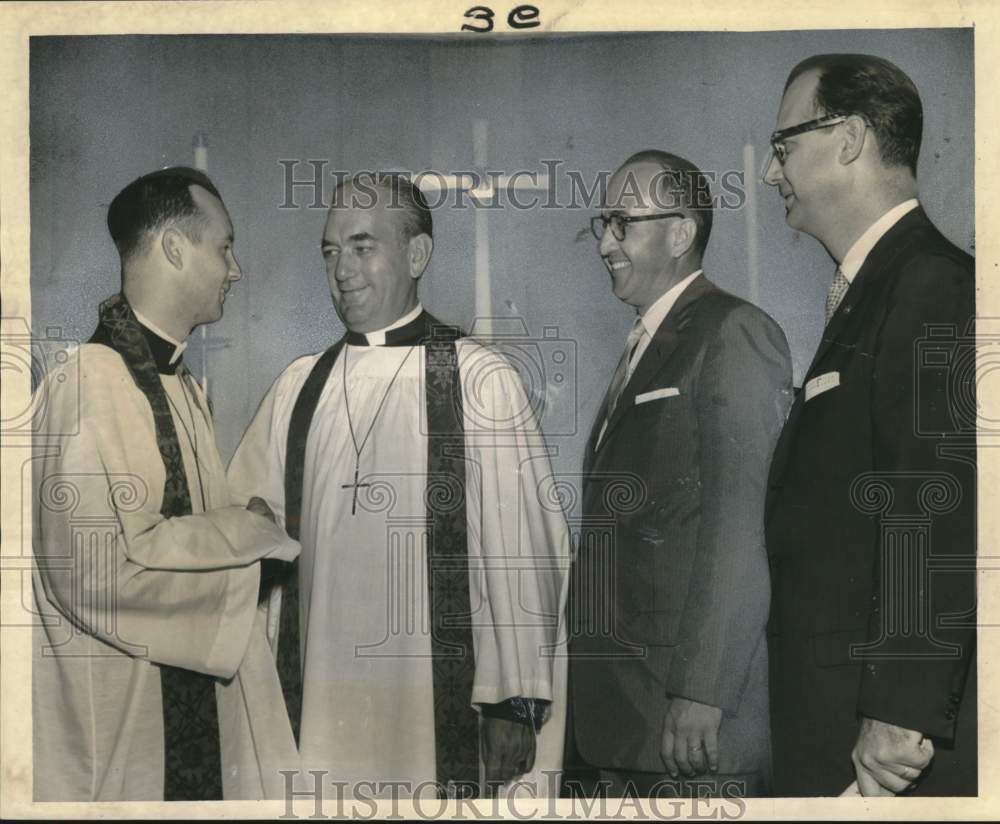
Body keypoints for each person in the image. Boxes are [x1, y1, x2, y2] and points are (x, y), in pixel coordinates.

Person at [227, 173, 570, 799]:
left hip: (438, 706)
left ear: (417, 255)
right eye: (331, 251)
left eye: (362, 247)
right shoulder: (299, 387)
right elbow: (245, 530)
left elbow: (526, 549)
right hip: (323, 694)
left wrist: (515, 699)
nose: (342, 271)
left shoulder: (478, 379)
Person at [31, 167, 300, 801]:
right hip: (125, 728)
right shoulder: (88, 384)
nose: (235, 270)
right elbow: (95, 572)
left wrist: (239, 527)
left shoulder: (180, 385)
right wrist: (249, 535)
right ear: (174, 248)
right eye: (224, 247)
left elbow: (175, 533)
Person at [762, 54, 977, 796]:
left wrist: (899, 710)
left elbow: (939, 504)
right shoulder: (877, 287)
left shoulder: (931, 282)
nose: (769, 172)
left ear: (849, 138)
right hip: (836, 722)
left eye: (783, 145)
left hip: (882, 751)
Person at [568, 151, 792, 798]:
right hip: (626, 723)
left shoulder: (732, 331)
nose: (605, 243)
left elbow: (740, 526)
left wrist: (703, 690)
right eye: (603, 224)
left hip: (690, 732)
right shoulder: (644, 345)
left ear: (681, 232)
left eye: (623, 223)